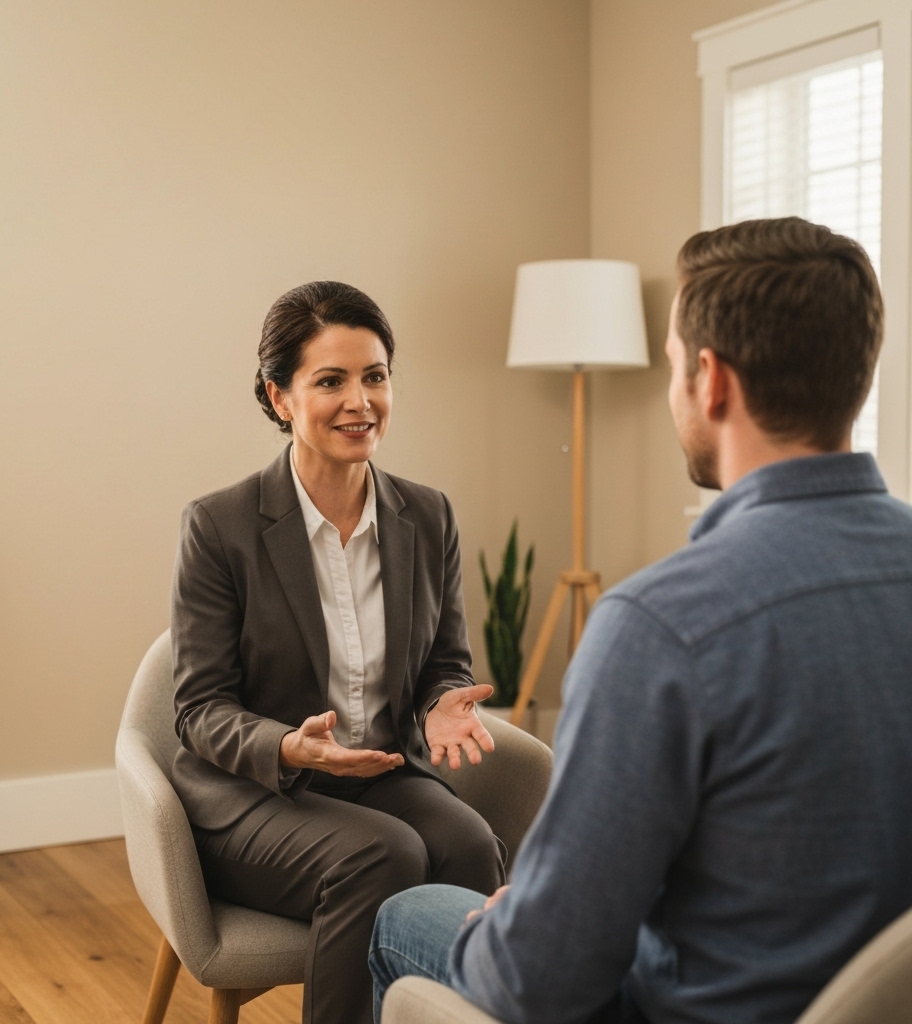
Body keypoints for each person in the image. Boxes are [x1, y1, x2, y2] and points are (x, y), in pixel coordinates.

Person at [369, 217, 912, 1024]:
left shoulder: (660, 628)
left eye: (668, 368)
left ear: (711, 378)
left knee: (407, 919)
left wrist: (516, 923)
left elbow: (537, 981)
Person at [170, 281, 505, 1024]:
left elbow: (445, 660)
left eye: (375, 377)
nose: (361, 401)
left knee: (472, 847)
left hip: (379, 774)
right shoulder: (219, 527)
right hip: (255, 794)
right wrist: (292, 747)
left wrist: (443, 702)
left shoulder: (428, 515)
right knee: (381, 855)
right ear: (279, 396)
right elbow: (198, 711)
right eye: (331, 381)